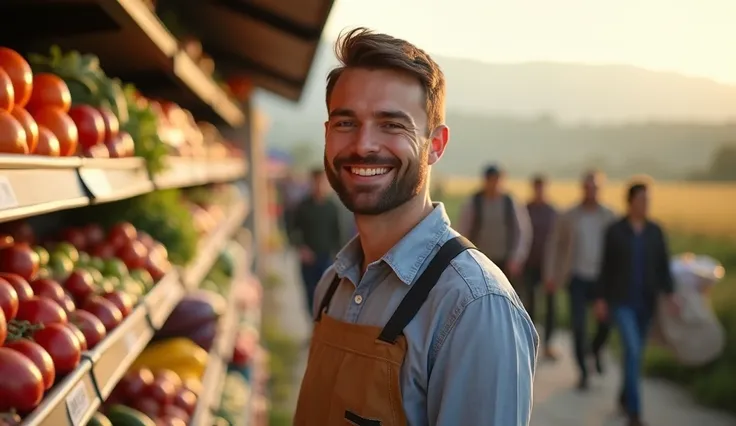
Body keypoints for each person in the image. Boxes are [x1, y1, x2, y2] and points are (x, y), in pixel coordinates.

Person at [294, 28, 538, 426]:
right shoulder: (332, 286)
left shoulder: (474, 307)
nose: (364, 145)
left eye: (391, 125)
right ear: (327, 136)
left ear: (435, 145)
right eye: (345, 123)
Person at [594, 181, 678, 426]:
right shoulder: (615, 231)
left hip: (647, 303)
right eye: (641, 200)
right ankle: (635, 413)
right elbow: (605, 268)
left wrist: (670, 294)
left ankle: (623, 397)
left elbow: (664, 265)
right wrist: (600, 298)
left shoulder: (655, 231)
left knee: (635, 355)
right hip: (621, 301)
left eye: (647, 200)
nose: (645, 204)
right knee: (631, 349)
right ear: (629, 201)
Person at [544, 169, 616, 390]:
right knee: (578, 325)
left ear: (599, 190)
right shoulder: (570, 216)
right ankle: (583, 372)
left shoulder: (610, 217)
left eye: (595, 188)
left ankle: (595, 350)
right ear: (582, 188)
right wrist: (551, 274)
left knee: (605, 324)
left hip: (602, 280)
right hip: (576, 277)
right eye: (587, 187)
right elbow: (554, 245)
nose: (591, 191)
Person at [457, 164, 532, 281]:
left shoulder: (510, 202)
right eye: (490, 180)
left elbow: (522, 232)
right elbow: (463, 229)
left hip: (506, 261)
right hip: (480, 260)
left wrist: (517, 258)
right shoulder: (474, 202)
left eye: (496, 180)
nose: (493, 184)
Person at [287, 168, 343, 313]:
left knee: (328, 295)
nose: (320, 185)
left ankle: (324, 328)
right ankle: (313, 329)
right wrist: (301, 248)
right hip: (308, 259)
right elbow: (291, 230)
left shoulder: (332, 207)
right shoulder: (303, 207)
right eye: (317, 182)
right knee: (310, 295)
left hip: (327, 259)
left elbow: (337, 234)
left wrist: (338, 257)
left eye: (323, 182)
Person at [524, 174, 559, 360]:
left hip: (548, 267)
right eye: (537, 188)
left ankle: (549, 345)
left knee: (550, 307)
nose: (539, 191)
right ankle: (530, 342)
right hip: (529, 264)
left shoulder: (553, 212)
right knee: (529, 305)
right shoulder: (525, 209)